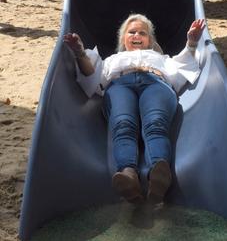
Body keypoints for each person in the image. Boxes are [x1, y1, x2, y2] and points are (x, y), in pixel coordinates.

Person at [63, 14, 206, 203]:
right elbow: (92, 75)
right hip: (120, 84)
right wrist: (80, 52)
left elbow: (182, 66)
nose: (137, 35)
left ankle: (159, 175)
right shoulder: (114, 59)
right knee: (123, 124)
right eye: (131, 32)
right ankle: (128, 175)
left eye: (142, 33)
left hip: (156, 82)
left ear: (150, 40)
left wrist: (192, 42)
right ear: (123, 38)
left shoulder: (160, 58)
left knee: (155, 123)